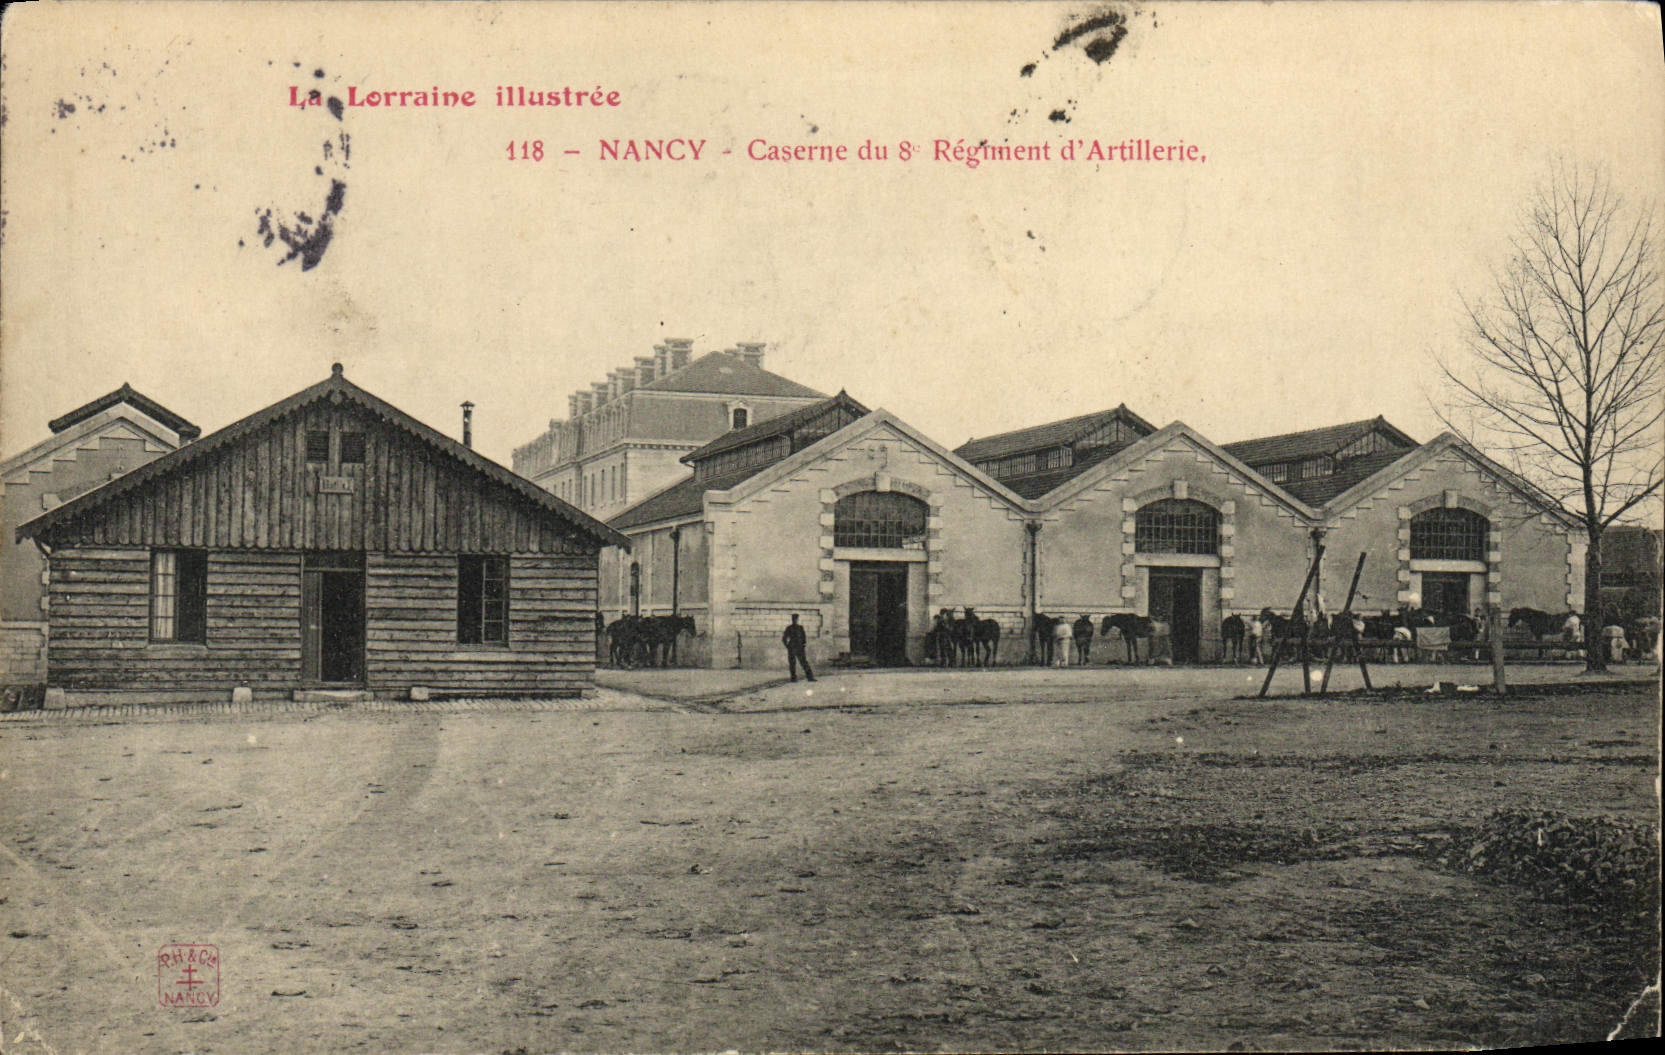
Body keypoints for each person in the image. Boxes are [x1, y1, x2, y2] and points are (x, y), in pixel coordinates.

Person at [782, 613, 815, 682]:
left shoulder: (800, 628)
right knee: (792, 663)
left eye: (796, 619)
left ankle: (810, 677)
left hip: (800, 648)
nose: (795, 621)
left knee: (804, 662)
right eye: (794, 619)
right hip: (792, 648)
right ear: (792, 620)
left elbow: (804, 637)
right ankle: (793, 678)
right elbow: (784, 638)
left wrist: (803, 645)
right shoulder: (789, 628)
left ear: (797, 619)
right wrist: (787, 646)